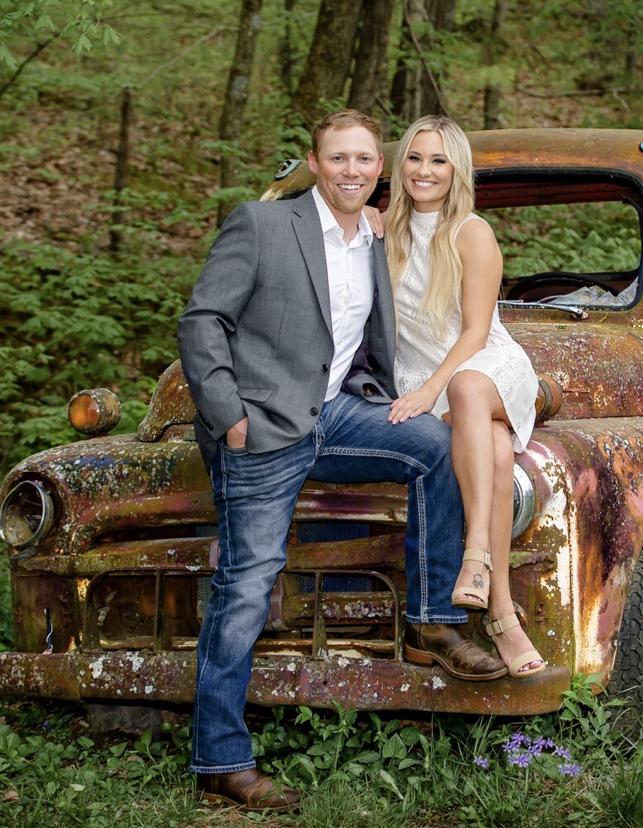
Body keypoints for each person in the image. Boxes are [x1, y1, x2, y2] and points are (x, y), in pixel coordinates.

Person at [176, 109, 506, 813]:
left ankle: (429, 619)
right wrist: (228, 415)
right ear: (314, 162)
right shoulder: (265, 225)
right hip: (262, 429)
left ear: (377, 170)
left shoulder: (373, 239)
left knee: (437, 450)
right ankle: (221, 760)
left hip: (335, 415)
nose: (351, 171)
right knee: (244, 586)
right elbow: (202, 321)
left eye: (363, 160)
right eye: (338, 159)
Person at [384, 115, 545, 679]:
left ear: (457, 171)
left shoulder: (471, 232)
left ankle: (474, 551)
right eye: (415, 158)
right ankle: (501, 612)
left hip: (482, 365)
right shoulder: (382, 232)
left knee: (468, 387)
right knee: (497, 454)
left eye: (438, 160)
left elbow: (476, 331)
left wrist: (433, 390)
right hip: (421, 372)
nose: (424, 171)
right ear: (399, 165)